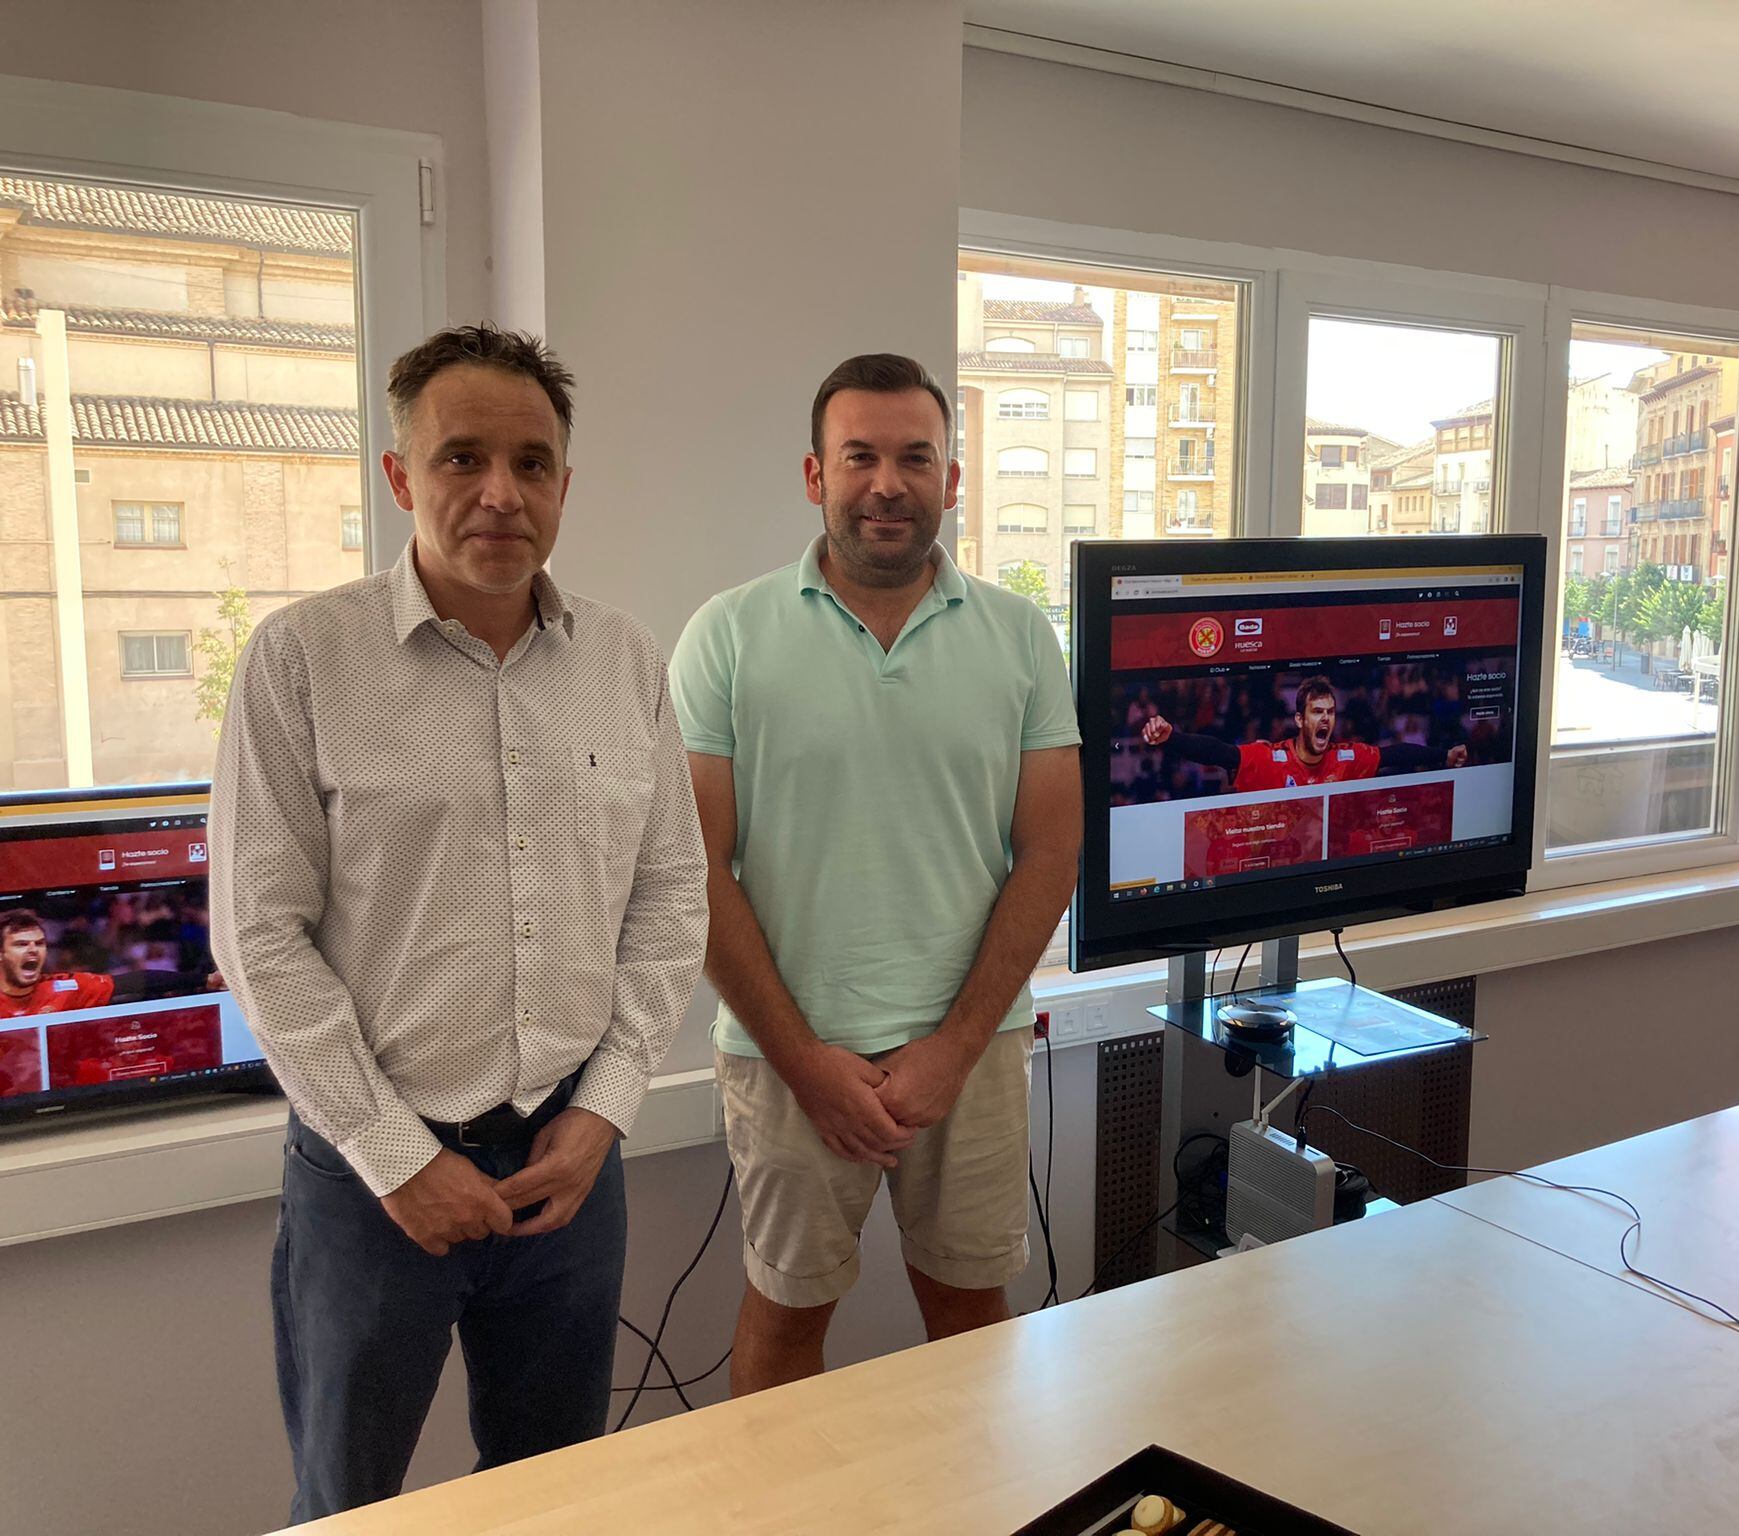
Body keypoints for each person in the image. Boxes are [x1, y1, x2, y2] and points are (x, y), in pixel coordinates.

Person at [211, 324, 709, 1522]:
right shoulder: (301, 661)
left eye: (531, 463)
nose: (499, 493)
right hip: (372, 1184)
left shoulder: (625, 661)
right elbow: (258, 937)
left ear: (563, 484)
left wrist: (602, 1115)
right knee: (347, 1502)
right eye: (460, 459)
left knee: (554, 1495)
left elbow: (669, 896)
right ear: (399, 476)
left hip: (567, 1169)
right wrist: (398, 1159)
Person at [670, 353, 1080, 1395]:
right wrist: (807, 1062)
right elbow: (693, 865)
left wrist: (948, 1045)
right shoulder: (725, 636)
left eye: (914, 458)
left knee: (972, 1319)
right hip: (785, 1062)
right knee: (784, 1319)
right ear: (814, 475)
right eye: (859, 456)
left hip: (971, 1052)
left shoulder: (1021, 637)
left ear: (952, 478)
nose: (886, 483)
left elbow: (1050, 849)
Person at [1139, 673, 1467, 790]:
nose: (1325, 719)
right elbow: (1219, 752)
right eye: (1316, 712)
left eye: (1330, 712)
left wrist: (1444, 756)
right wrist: (1173, 738)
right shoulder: (1271, 757)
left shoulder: (1348, 757)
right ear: (1299, 720)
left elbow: (1393, 755)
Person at [0, 909, 114, 1017]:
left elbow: (125, 985)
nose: (33, 950)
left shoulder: (64, 988)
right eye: (21, 944)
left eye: (39, 943)